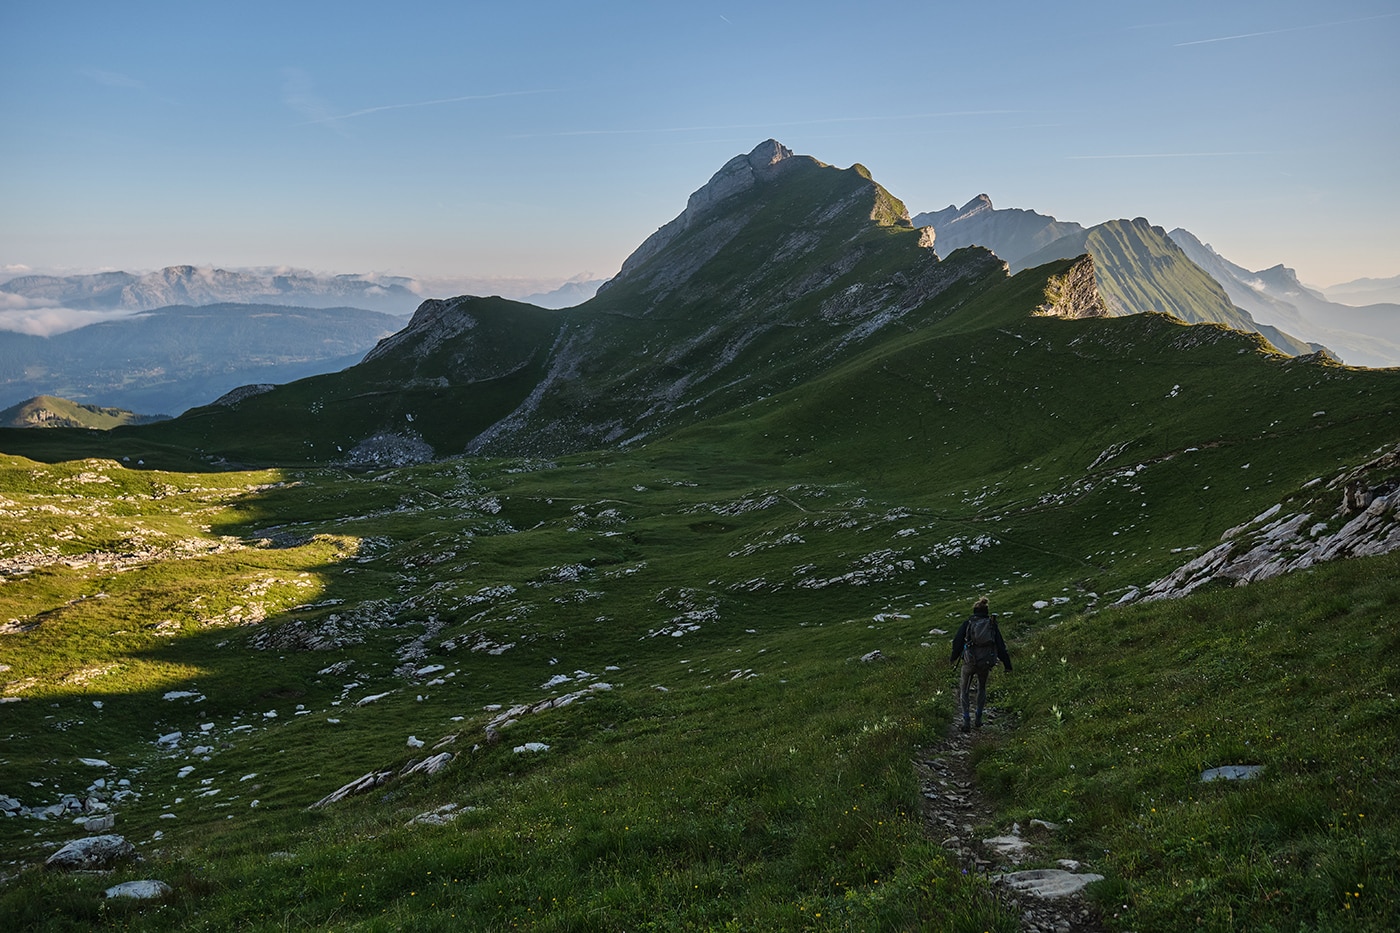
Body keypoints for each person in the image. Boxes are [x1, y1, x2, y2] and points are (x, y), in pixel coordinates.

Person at [948, 597, 1012, 732]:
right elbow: (1000, 646)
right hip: (985, 662)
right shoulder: (991, 625)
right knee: (981, 688)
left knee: (964, 690)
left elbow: (957, 642)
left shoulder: (968, 623)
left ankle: (966, 720)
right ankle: (978, 717)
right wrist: (1007, 665)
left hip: (969, 662)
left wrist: (953, 658)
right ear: (986, 611)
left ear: (974, 611)